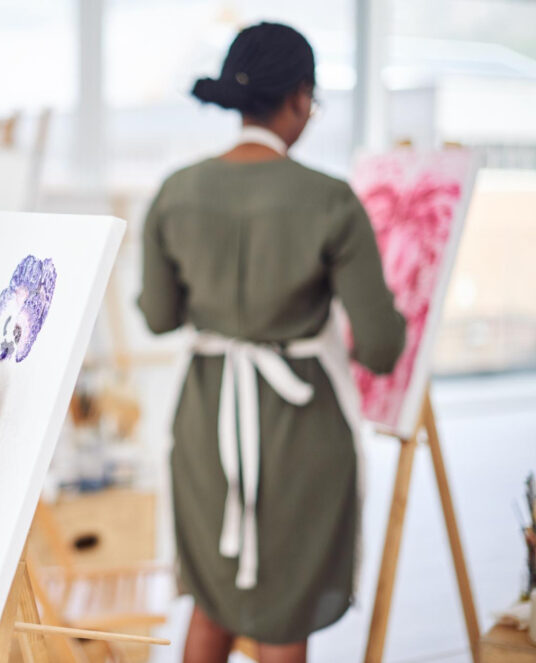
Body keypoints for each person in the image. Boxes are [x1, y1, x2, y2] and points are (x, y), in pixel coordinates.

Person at [138, 23, 405, 663]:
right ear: (298, 97)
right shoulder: (330, 200)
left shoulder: (176, 192)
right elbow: (380, 348)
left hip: (205, 424)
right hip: (300, 430)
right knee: (283, 621)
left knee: (210, 601)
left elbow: (158, 316)